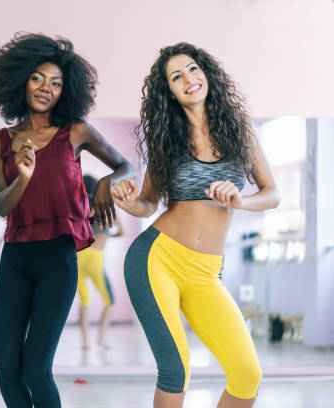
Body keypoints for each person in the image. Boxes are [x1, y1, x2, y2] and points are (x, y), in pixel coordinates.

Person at [112, 42, 280, 408]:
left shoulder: (240, 130)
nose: (188, 78)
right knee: (175, 369)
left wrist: (241, 200)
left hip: (206, 272)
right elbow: (148, 204)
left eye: (192, 69)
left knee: (246, 373)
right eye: (176, 76)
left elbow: (272, 193)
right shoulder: (167, 141)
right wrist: (128, 202)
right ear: (169, 92)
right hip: (157, 260)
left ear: (206, 73)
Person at [0, 33, 134, 408]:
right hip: (16, 258)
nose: (46, 88)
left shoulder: (75, 132)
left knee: (36, 368)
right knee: (7, 367)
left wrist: (103, 184)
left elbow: (125, 165)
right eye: (38, 78)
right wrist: (24, 177)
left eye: (56, 83)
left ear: (66, 90)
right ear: (21, 80)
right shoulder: (0, 141)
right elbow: (2, 206)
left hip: (58, 259)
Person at [77, 175, 123, 350]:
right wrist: (105, 235)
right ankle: (101, 339)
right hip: (95, 257)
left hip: (78, 256)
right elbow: (122, 231)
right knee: (109, 300)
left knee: (84, 300)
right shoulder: (104, 207)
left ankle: (85, 342)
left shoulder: (79, 208)